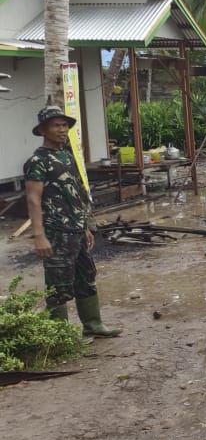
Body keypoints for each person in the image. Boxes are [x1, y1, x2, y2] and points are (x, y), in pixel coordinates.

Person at [24, 106, 121, 341]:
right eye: (56, 125)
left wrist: (85, 227)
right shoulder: (37, 161)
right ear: (44, 130)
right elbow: (33, 199)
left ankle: (93, 324)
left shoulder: (67, 156)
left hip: (76, 231)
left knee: (86, 277)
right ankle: (61, 337)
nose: (62, 129)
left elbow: (77, 193)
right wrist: (39, 235)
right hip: (56, 233)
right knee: (58, 285)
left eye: (64, 125)